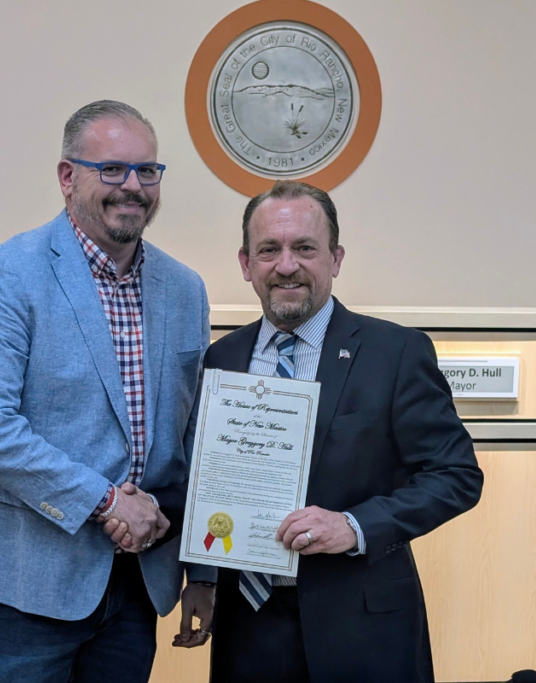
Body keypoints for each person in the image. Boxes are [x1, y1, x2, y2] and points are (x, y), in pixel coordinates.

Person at [0, 100, 211, 683]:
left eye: (146, 171)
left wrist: (203, 567)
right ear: (67, 176)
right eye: (111, 169)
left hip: (137, 584)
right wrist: (108, 502)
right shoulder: (8, 271)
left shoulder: (186, 289)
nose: (132, 186)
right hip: (27, 581)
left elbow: (193, 441)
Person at [173, 181, 484, 683]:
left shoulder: (395, 353)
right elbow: (210, 478)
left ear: (335, 258)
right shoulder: (222, 358)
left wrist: (354, 526)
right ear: (246, 263)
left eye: (305, 248)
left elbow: (456, 476)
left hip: (362, 627)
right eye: (269, 250)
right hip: (247, 626)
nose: (287, 265)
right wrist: (204, 577)